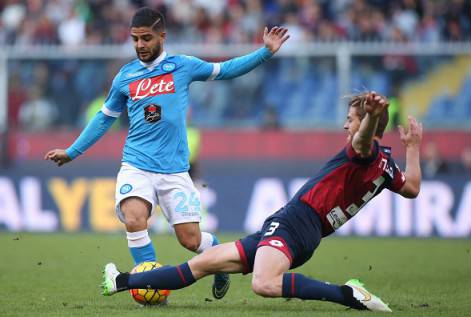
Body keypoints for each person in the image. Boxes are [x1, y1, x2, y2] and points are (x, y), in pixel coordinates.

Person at [44, 7, 289, 300]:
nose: (140, 45)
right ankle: (147, 281)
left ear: (162, 36)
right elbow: (104, 117)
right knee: (134, 218)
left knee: (191, 240)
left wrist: (265, 52)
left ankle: (219, 264)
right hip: (136, 165)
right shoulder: (125, 76)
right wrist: (72, 151)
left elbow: (225, 70)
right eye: (135, 39)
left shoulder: (182, 66)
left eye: (146, 38)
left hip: (174, 171)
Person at [101, 91, 423, 312]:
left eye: (351, 119)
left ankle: (348, 294)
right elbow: (411, 188)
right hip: (296, 225)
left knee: (264, 284)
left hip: (298, 223)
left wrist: (367, 118)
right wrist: (412, 147)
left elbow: (363, 140)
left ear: (365, 122)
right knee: (201, 264)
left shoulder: (363, 153)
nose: (345, 125)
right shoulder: (385, 164)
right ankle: (121, 281)